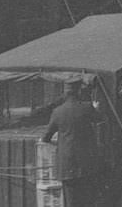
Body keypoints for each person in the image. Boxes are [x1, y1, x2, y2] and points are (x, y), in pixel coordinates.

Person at [42, 79, 102, 207]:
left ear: (65, 93)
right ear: (78, 91)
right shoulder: (86, 107)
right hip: (86, 163)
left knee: (71, 201)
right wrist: (96, 108)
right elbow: (100, 119)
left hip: (67, 165)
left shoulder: (57, 112)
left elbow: (46, 138)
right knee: (87, 199)